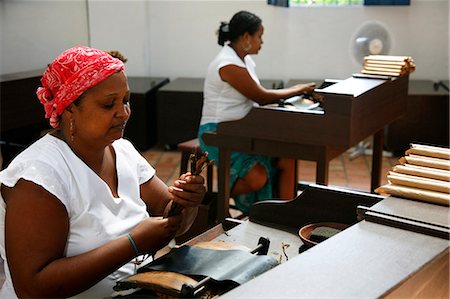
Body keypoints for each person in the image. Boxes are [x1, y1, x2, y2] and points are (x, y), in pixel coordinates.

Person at [0, 46, 206, 298]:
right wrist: (132, 244)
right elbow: (32, 288)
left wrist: (187, 203)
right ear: (69, 109)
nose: (123, 112)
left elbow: (173, 223)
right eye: (108, 104)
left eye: (126, 100)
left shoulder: (122, 150)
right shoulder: (40, 177)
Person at [198, 11, 316, 214]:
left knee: (288, 158)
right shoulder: (228, 64)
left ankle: (286, 215)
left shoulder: (244, 60)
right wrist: (299, 89)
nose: (261, 42)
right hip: (219, 132)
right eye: (259, 36)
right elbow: (261, 96)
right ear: (245, 37)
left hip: (242, 129)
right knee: (258, 177)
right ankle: (218, 198)